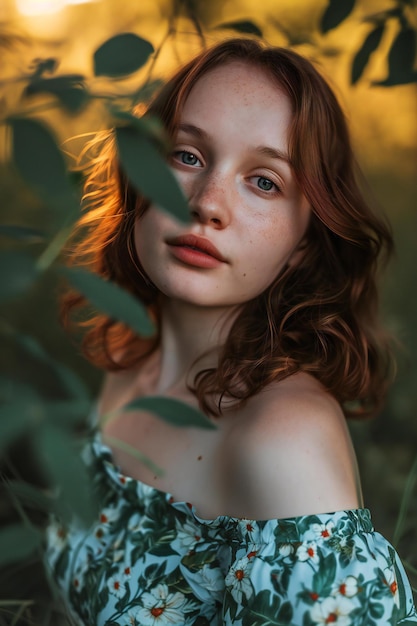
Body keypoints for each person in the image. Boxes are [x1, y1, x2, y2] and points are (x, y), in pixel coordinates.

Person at [46, 38, 417, 625]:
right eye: (187, 156)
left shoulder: (282, 443)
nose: (208, 204)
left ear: (302, 245)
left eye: (264, 181)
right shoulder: (131, 353)